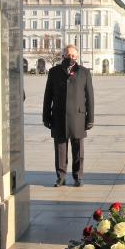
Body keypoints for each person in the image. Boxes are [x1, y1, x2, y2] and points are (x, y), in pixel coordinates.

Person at [42, 44, 94, 187]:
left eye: (73, 56)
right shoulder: (54, 72)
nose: (71, 58)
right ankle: (61, 176)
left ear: (77, 57)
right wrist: (46, 116)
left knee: (78, 150)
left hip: (78, 117)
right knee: (60, 149)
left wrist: (90, 119)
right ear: (63, 55)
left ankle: (78, 177)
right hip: (58, 116)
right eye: (68, 55)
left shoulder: (84, 73)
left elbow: (90, 97)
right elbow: (48, 96)